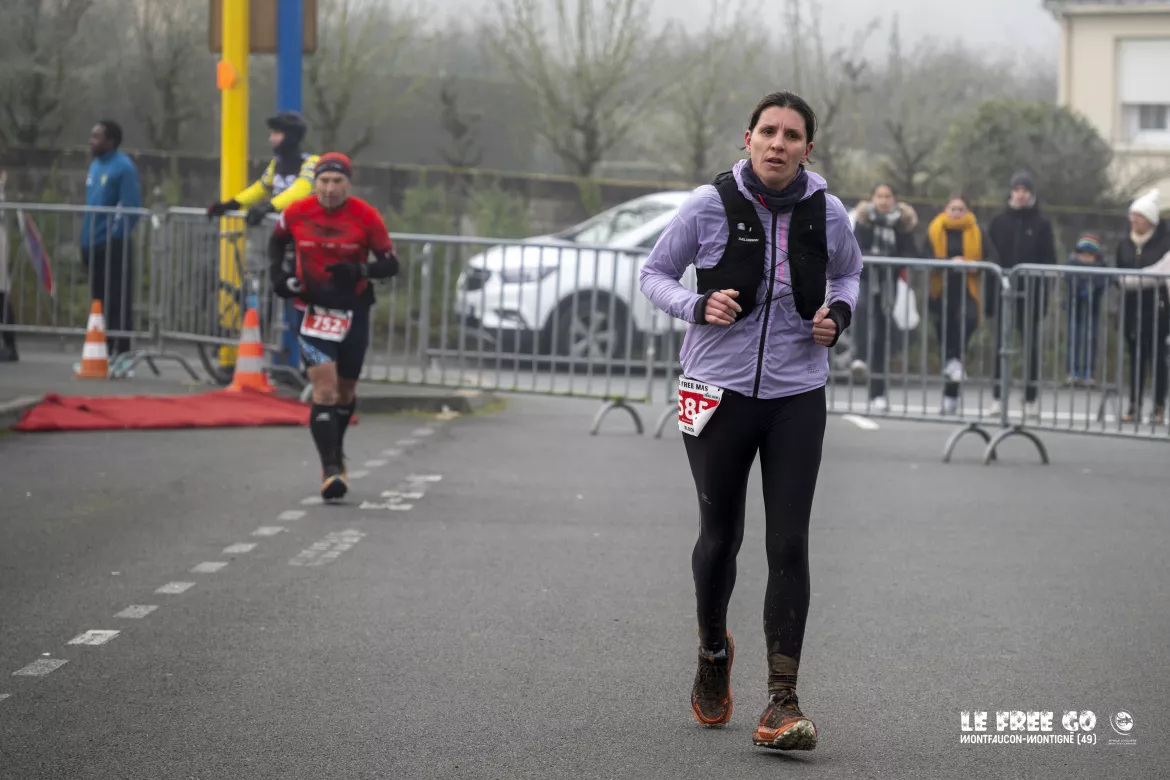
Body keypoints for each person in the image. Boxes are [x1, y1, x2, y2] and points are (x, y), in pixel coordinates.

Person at [639, 90, 862, 752]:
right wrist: (695, 304)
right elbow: (654, 274)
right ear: (748, 138)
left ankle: (781, 700)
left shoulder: (828, 213)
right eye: (768, 132)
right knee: (720, 538)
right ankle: (713, 651)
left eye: (792, 136)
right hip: (714, 389)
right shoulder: (708, 205)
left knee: (788, 544)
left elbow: (850, 276)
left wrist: (838, 316)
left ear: (807, 150)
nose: (778, 144)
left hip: (798, 393)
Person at [267, 153, 400, 500]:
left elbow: (390, 264)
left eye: (337, 181)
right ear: (315, 183)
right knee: (324, 389)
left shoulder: (366, 216)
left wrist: (360, 271)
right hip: (311, 311)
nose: (329, 189)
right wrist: (278, 276)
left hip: (353, 311)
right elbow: (276, 241)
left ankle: (336, 451)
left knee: (345, 391)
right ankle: (330, 470)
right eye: (323, 181)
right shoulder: (297, 212)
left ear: (348, 184)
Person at [986, 172, 1056, 419]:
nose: (1021, 194)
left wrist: (1044, 297)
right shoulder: (998, 221)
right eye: (1017, 189)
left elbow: (1049, 260)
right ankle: (997, 397)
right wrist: (990, 298)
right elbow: (991, 258)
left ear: (1031, 193)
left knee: (1030, 347)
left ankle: (1030, 398)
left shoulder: (1042, 224)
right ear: (1011, 192)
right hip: (1003, 293)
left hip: (1031, 294)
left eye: (1025, 190)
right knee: (1000, 346)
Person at [850, 183, 919, 411]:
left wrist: (890, 259)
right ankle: (859, 357)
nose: (883, 200)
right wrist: (874, 257)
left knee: (881, 337)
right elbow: (855, 249)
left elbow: (911, 254)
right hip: (865, 281)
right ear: (872, 198)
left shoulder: (902, 224)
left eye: (887, 196)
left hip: (889, 285)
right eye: (879, 196)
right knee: (861, 315)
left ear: (894, 199)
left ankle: (878, 393)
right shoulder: (863, 221)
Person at [80, 119, 142, 365]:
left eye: (97, 137)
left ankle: (121, 350)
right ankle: (101, 349)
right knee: (99, 299)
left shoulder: (123, 168)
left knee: (117, 299)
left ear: (111, 141)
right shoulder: (95, 165)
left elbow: (130, 207)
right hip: (91, 242)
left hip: (112, 245)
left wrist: (114, 236)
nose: (91, 141)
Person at [925, 194, 988, 416]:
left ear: (968, 211)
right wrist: (948, 263)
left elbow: (992, 258)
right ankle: (949, 398)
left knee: (965, 328)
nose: (956, 212)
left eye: (961, 208)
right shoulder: (935, 229)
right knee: (947, 343)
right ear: (946, 209)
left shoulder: (977, 231)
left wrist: (975, 265)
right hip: (941, 293)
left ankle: (951, 392)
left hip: (968, 292)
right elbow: (923, 257)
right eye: (953, 208)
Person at [207, 111, 319, 227]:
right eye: (271, 134)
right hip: (287, 228)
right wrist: (233, 204)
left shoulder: (312, 162)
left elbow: (301, 190)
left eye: (276, 133)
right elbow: (261, 187)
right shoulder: (276, 163)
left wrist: (268, 207)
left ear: (291, 136)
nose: (271, 138)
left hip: (310, 229)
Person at [1115, 189, 1170, 424]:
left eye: (1139, 216)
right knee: (1135, 357)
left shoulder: (1164, 243)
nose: (1134, 220)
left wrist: (1134, 281)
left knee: (1157, 358)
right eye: (1132, 215)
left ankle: (1158, 406)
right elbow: (1118, 272)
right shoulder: (1125, 243)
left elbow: (1161, 274)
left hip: (1156, 307)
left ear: (1150, 220)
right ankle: (1134, 405)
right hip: (1131, 307)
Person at [1064, 233, 1107, 387]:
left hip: (1092, 309)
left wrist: (1092, 287)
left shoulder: (1101, 268)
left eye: (1090, 254)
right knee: (1073, 339)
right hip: (1074, 309)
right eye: (1082, 254)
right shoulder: (1071, 266)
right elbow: (1068, 280)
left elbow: (1103, 283)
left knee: (1091, 339)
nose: (1085, 257)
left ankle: (1089, 372)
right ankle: (1073, 371)